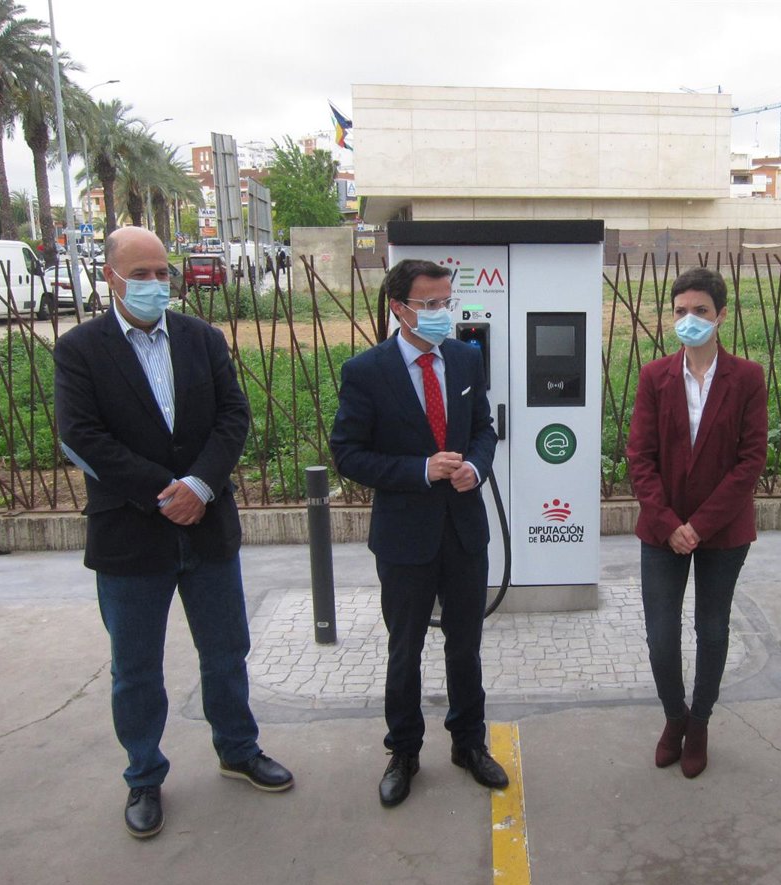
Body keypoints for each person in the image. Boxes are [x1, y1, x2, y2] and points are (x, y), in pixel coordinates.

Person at [54, 226, 293, 839]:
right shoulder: (80, 349)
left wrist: (201, 486)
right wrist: (166, 490)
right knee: (136, 667)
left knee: (226, 650)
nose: (156, 284)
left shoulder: (201, 339)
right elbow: (81, 435)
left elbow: (233, 416)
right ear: (110, 277)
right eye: (141, 274)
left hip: (207, 526)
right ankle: (144, 775)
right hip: (131, 534)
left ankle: (238, 749)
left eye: (163, 272)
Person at [329, 258, 508, 808]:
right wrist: (419, 470)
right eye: (428, 304)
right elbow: (347, 453)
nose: (439, 313)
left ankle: (469, 743)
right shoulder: (366, 371)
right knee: (404, 648)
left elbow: (484, 429)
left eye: (445, 303)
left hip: (464, 530)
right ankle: (403, 751)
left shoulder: (465, 358)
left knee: (466, 645)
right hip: (405, 537)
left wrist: (475, 467)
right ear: (398, 308)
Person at [625, 267, 768, 778]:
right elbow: (640, 457)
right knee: (661, 635)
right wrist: (669, 523)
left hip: (722, 532)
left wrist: (700, 526)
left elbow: (750, 461)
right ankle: (674, 717)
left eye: (700, 310)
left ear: (721, 315)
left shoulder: (746, 378)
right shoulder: (655, 376)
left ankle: (700, 722)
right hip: (662, 530)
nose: (689, 319)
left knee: (712, 630)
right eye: (681, 311)